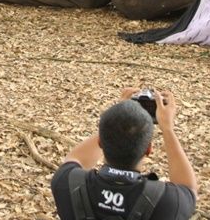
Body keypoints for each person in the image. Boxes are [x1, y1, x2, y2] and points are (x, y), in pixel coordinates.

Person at [51, 88, 197, 219]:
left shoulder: (66, 183)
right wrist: (167, 129)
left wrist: (118, 118)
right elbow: (188, 189)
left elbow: (75, 157)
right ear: (148, 149)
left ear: (101, 143)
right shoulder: (168, 202)